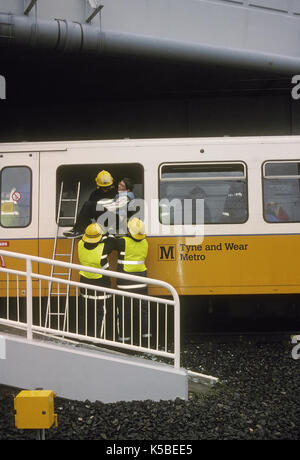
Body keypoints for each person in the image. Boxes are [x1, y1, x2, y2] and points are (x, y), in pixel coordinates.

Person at [114, 218, 150, 344]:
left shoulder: (122, 242)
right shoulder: (145, 242)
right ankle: (146, 338)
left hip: (125, 284)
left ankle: (125, 340)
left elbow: (110, 243)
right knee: (144, 311)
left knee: (125, 312)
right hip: (141, 282)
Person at [77, 222, 116, 338]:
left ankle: (82, 336)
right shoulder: (103, 248)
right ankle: (99, 339)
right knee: (101, 314)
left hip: (85, 287)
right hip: (101, 289)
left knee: (85, 313)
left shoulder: (80, 244)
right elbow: (113, 241)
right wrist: (106, 234)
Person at [64, 170, 116, 239]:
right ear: (98, 186)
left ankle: (79, 230)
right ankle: (79, 229)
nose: (105, 189)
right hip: (102, 220)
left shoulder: (116, 192)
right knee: (88, 205)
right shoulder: (95, 194)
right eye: (103, 187)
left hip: (114, 219)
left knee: (89, 204)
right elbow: (88, 212)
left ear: (111, 184)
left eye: (107, 187)